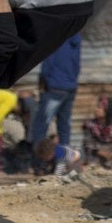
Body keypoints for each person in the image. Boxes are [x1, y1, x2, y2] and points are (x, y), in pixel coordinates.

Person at [31, 35, 82, 173]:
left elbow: (49, 61)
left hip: (54, 85)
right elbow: (77, 63)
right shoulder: (75, 36)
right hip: (70, 86)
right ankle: (64, 163)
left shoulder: (56, 35)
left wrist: (43, 79)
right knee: (64, 125)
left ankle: (40, 163)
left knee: (41, 124)